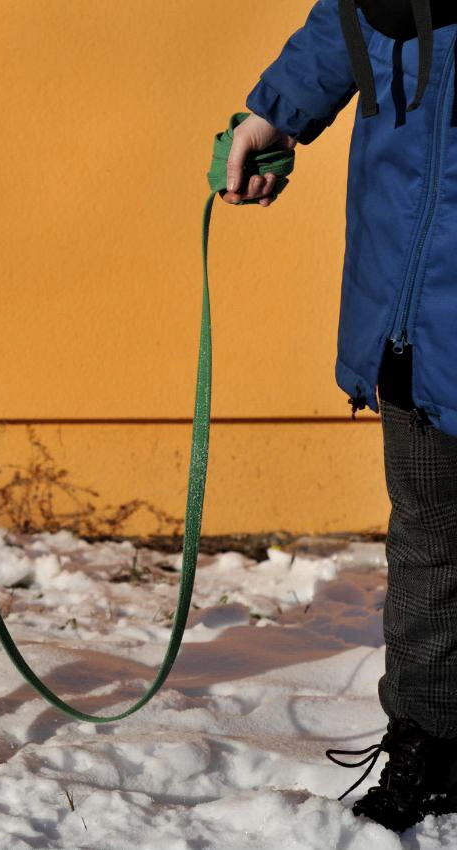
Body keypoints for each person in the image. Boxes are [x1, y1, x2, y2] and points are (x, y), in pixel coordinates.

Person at [225, 0, 457, 832]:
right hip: (407, 305)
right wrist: (273, 115)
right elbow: (347, 20)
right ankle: (433, 744)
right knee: (431, 534)